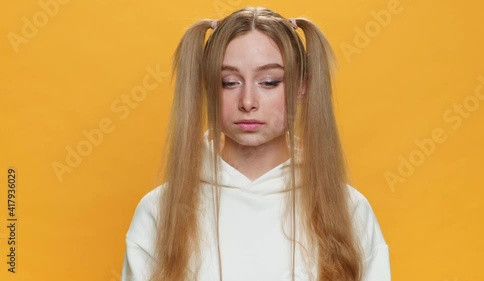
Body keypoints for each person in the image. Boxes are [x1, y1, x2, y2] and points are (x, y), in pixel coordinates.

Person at [121, 6, 391, 281]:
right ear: (207, 87)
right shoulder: (159, 211)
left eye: (269, 82)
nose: (248, 102)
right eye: (229, 82)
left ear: (302, 87)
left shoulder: (349, 211)